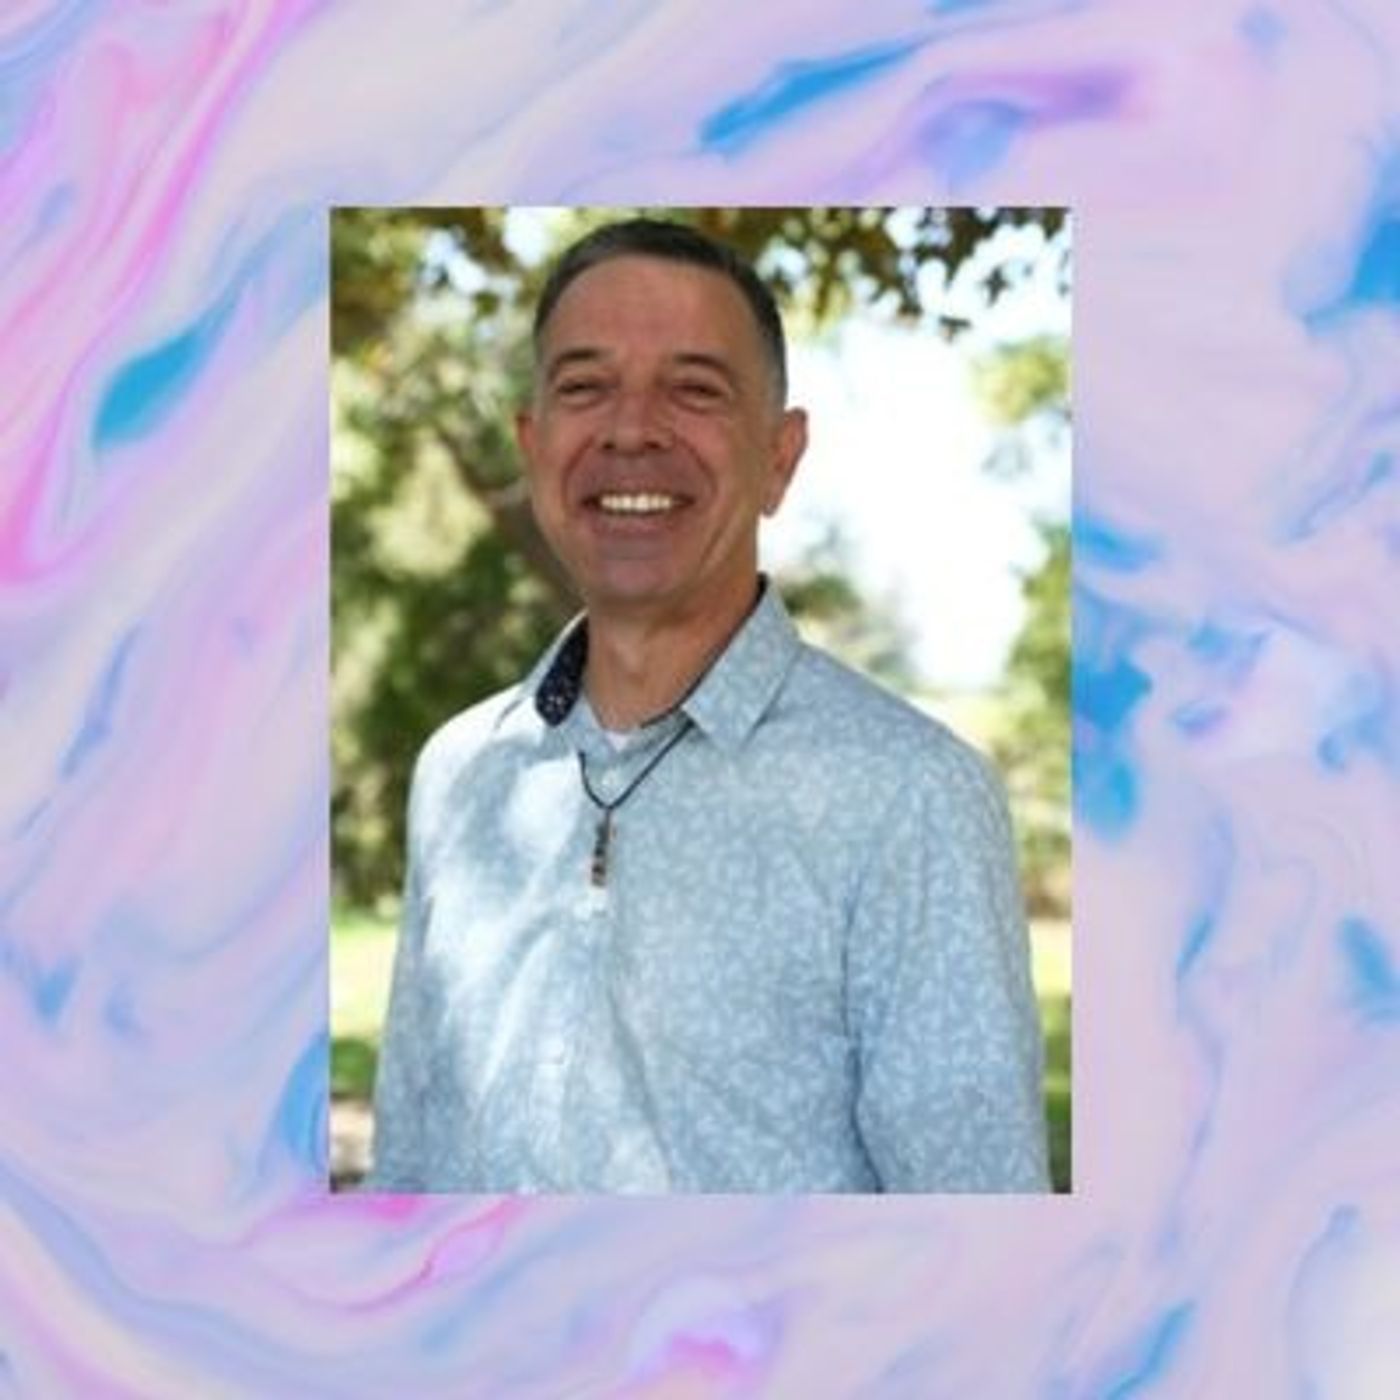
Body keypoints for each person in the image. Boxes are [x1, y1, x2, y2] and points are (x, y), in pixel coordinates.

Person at [368, 216, 1049, 1193]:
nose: (630, 429)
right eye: (584, 387)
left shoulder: (910, 797)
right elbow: (406, 1167)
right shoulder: (460, 774)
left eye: (693, 389)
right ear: (531, 443)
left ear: (780, 457)